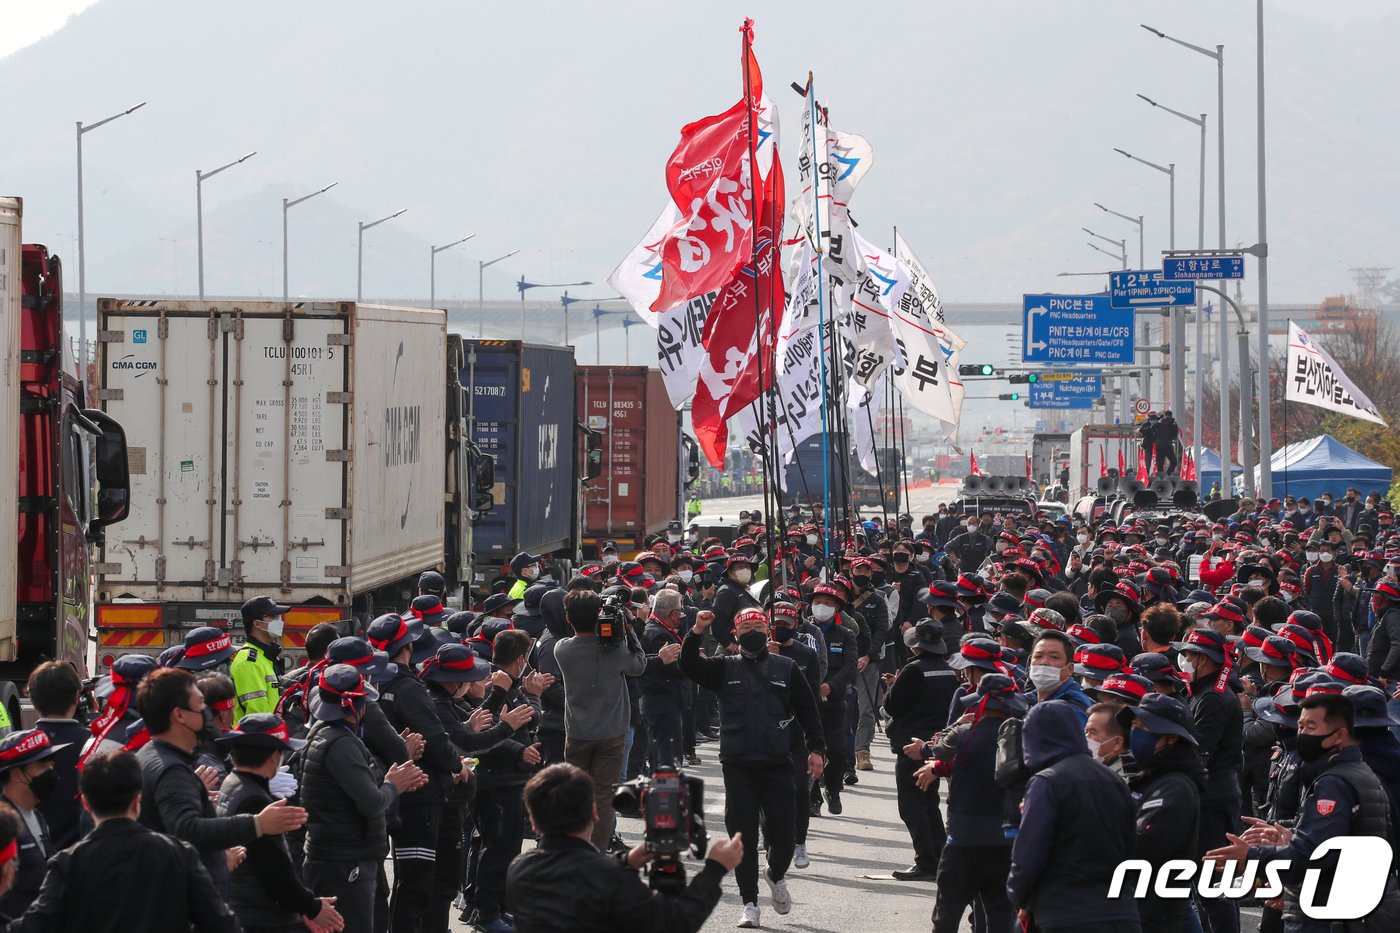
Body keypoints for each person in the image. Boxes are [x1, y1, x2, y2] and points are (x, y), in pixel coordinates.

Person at [680, 607, 825, 929]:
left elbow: (808, 710)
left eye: (759, 624)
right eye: (746, 626)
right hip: (738, 764)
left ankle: (776, 875)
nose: (753, 630)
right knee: (741, 838)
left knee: (784, 836)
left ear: (768, 630)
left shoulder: (786, 667)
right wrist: (696, 631)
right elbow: (688, 665)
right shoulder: (723, 667)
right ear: (735, 633)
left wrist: (817, 749)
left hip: (778, 762)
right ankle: (750, 903)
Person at [1206, 693, 1399, 932]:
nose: (1302, 734)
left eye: (1311, 726)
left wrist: (1253, 856)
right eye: (1300, 725)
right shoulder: (1350, 772)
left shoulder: (1335, 781)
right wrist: (1289, 836)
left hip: (1331, 915)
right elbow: (1337, 842)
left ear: (1340, 734)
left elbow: (1316, 855)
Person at [3, 751, 240, 931]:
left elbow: (36, 924)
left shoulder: (68, 864)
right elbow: (220, 921)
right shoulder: (178, 854)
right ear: (137, 801)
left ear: (85, 803)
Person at [505, 763, 744, 932]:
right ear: (594, 812)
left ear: (533, 822)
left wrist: (624, 861)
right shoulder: (609, 877)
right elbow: (674, 925)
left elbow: (575, 880)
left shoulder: (520, 868)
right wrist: (714, 869)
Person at [135, 667, 306, 898]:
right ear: (180, 715)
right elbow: (187, 828)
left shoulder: (155, 757)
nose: (207, 714)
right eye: (200, 706)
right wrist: (257, 824)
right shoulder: (172, 769)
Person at [366, 613, 473, 933]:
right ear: (407, 647)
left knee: (405, 883)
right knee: (416, 885)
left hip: (395, 791)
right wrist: (458, 765)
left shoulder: (375, 682)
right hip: (420, 795)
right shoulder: (408, 687)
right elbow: (436, 739)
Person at [300, 664, 426, 933]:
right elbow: (371, 803)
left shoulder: (326, 734)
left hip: (337, 855)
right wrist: (394, 785)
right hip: (345, 860)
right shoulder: (341, 744)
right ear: (356, 707)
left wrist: (387, 779)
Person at [1006, 700, 1138, 932]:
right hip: (1120, 910)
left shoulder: (1046, 781)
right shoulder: (1114, 779)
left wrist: (1019, 896)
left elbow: (1030, 851)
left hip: (1066, 912)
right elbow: (1130, 845)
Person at [215, 713, 343, 933]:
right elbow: (274, 869)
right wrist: (310, 907)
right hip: (261, 918)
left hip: (241, 908)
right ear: (274, 756)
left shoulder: (232, 784)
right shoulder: (255, 801)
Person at [925, 672, 1026, 933]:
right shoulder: (1022, 739)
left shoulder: (963, 733)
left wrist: (957, 722)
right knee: (1000, 916)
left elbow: (938, 749)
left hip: (963, 840)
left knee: (947, 914)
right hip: (1006, 841)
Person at [554, 588, 649, 852]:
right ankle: (595, 851)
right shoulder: (615, 649)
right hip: (612, 734)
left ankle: (573, 846)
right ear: (598, 616)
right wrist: (629, 630)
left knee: (577, 794)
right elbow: (639, 665)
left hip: (577, 734)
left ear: (568, 619)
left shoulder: (562, 649)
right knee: (604, 796)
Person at [464, 629, 547, 932]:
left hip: (511, 778)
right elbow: (488, 733)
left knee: (508, 846)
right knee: (496, 847)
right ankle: (485, 912)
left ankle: (497, 907)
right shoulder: (495, 686)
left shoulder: (511, 684)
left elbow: (531, 717)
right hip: (495, 779)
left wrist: (534, 695)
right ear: (521, 657)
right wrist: (520, 750)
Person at [1170, 627, 1243, 933]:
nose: (1183, 660)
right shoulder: (1207, 692)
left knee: (1213, 886)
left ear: (1202, 659)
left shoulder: (1212, 697)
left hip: (1212, 798)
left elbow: (1200, 751)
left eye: (1188, 655)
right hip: (1214, 792)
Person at [1118, 694, 1203, 933]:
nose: (1135, 733)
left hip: (1156, 911)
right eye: (1133, 726)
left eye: (1143, 727)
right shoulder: (1148, 777)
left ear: (1171, 738)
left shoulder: (1176, 786)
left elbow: (1142, 844)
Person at [883, 618, 959, 881]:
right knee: (929, 803)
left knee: (912, 806)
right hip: (934, 744)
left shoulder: (913, 670)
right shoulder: (948, 670)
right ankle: (936, 857)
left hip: (911, 746)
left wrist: (894, 683)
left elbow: (892, 705)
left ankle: (926, 860)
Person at [0, 729, 65, 919]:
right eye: (43, 765)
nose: (51, 773)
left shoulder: (38, 817)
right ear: (17, 774)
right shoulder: (3, 824)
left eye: (52, 765)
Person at [27, 661, 87, 850]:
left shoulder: (17, 748)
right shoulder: (95, 744)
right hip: (78, 860)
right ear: (76, 697)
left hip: (28, 860)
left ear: (33, 701)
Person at [638, 589, 689, 767]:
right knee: (668, 759)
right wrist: (692, 660)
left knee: (658, 756)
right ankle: (666, 794)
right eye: (680, 611)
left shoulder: (652, 628)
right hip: (663, 703)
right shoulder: (659, 635)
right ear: (674, 614)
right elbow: (676, 669)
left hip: (655, 702)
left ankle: (659, 792)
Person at [232, 596, 289, 723]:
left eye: (279, 616)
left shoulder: (265, 656)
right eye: (273, 617)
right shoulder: (248, 662)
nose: (279, 620)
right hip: (255, 740)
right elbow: (258, 717)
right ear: (257, 624)